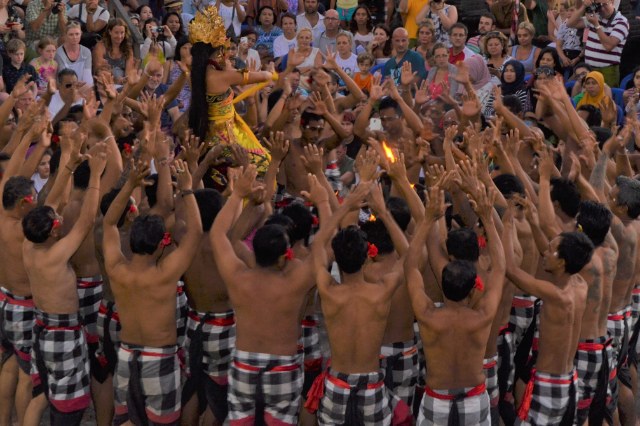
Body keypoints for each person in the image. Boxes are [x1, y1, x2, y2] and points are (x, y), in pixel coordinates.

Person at [210, 165, 317, 425]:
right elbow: (326, 244)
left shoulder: (238, 275)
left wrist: (237, 196)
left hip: (244, 364)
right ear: (285, 255)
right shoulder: (296, 280)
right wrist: (323, 201)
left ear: (253, 250)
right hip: (283, 367)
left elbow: (218, 235)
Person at [102, 159, 201, 425]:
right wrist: (188, 189)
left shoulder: (116, 268)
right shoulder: (165, 273)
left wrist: (130, 186)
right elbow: (196, 232)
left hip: (126, 354)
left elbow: (109, 224)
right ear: (162, 245)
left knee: (125, 422)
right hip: (160, 357)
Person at [308, 179, 411, 424]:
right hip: (371, 388)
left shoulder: (328, 290)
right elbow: (408, 253)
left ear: (337, 262)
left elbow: (319, 244)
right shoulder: (381, 292)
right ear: (368, 258)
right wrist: (383, 212)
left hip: (336, 384)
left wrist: (344, 206)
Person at [22, 139, 107, 426]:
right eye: (56, 220)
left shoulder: (29, 244)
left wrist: (69, 166)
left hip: (43, 328)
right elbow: (86, 220)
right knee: (68, 410)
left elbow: (50, 202)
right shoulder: (57, 253)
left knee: (46, 395)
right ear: (53, 233)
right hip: (63, 335)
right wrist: (95, 174)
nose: (59, 216)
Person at [406, 184, 506, 425]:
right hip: (474, 398)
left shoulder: (427, 314)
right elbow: (501, 267)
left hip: (436, 399)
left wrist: (428, 219)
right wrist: (487, 217)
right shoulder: (482, 315)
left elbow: (410, 267)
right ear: (474, 288)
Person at [504, 205, 594, 424]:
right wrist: (535, 223)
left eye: (551, 249)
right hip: (568, 380)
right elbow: (554, 255)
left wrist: (505, 222)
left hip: (549, 384)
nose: (544, 252)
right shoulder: (579, 284)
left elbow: (511, 270)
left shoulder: (555, 294)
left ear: (562, 262)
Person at [188, 5, 274, 188]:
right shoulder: (222, 75)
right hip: (227, 135)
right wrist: (267, 72)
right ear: (219, 52)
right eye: (226, 50)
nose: (229, 54)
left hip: (211, 132)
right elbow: (266, 77)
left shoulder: (199, 74)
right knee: (265, 165)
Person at [566, 0, 629, 87]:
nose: (602, 8)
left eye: (605, 4)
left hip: (608, 71)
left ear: (612, 2)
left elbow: (608, 46)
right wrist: (584, 6)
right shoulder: (596, 17)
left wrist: (596, 25)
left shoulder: (621, 21)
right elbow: (570, 24)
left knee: (606, 98)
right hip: (589, 69)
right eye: (599, 5)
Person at [92, 18, 135, 85]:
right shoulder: (101, 46)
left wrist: (124, 80)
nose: (119, 36)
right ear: (110, 32)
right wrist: (115, 79)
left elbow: (128, 73)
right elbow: (98, 70)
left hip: (122, 84)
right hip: (104, 83)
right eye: (116, 32)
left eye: (122, 33)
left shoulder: (128, 48)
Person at [54, 21, 93, 87]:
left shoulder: (86, 52)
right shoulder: (58, 53)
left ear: (81, 34)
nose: (75, 37)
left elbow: (88, 77)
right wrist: (76, 85)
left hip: (83, 88)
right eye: (71, 34)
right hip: (65, 89)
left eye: (77, 34)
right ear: (65, 35)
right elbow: (63, 78)